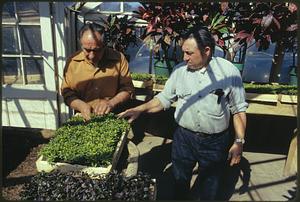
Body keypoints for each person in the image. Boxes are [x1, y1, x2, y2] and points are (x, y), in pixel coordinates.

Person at [118, 26, 248, 200]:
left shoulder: (229, 73)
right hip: (183, 138)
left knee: (210, 187)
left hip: (215, 142)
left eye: (189, 53)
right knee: (179, 181)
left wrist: (239, 142)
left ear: (207, 50)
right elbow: (164, 99)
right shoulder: (180, 71)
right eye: (183, 52)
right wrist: (139, 109)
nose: (184, 57)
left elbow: (238, 110)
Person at [61, 23, 134, 120]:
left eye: (97, 50)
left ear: (104, 45)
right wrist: (81, 105)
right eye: (86, 50)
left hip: (113, 117)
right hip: (83, 118)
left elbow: (127, 88)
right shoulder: (72, 62)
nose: (91, 56)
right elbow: (67, 92)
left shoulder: (118, 59)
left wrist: (111, 103)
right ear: (80, 43)